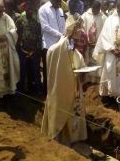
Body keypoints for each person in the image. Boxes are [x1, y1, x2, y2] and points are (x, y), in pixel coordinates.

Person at [41, 16, 87, 147]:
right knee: (62, 114)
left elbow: (82, 69)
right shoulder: (55, 50)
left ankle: (73, 139)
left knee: (74, 115)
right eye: (74, 40)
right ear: (68, 37)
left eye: (78, 41)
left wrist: (83, 75)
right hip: (61, 92)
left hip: (75, 93)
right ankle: (61, 141)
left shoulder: (77, 54)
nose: (76, 44)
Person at [39, 0, 65, 94]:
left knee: (57, 70)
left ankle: (56, 92)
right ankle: (47, 92)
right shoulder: (43, 9)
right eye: (58, 1)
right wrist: (60, 35)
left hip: (60, 45)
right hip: (48, 46)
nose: (59, 3)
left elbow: (63, 25)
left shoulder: (60, 10)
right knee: (48, 71)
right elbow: (45, 27)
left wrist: (64, 36)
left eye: (60, 1)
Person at [16, 1, 43, 97]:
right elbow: (17, 36)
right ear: (25, 9)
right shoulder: (19, 21)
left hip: (34, 52)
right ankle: (20, 90)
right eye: (28, 8)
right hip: (23, 51)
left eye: (31, 8)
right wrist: (21, 48)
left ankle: (38, 90)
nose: (29, 10)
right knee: (22, 71)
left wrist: (35, 50)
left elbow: (39, 38)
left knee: (36, 72)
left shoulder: (37, 23)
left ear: (34, 10)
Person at [81, 1, 107, 83]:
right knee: (88, 61)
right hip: (88, 45)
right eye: (94, 9)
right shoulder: (85, 15)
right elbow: (82, 29)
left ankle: (96, 81)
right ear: (91, 7)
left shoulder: (103, 17)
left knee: (98, 62)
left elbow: (106, 31)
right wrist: (87, 40)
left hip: (98, 45)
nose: (95, 11)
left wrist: (98, 43)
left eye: (97, 10)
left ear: (100, 9)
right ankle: (88, 80)